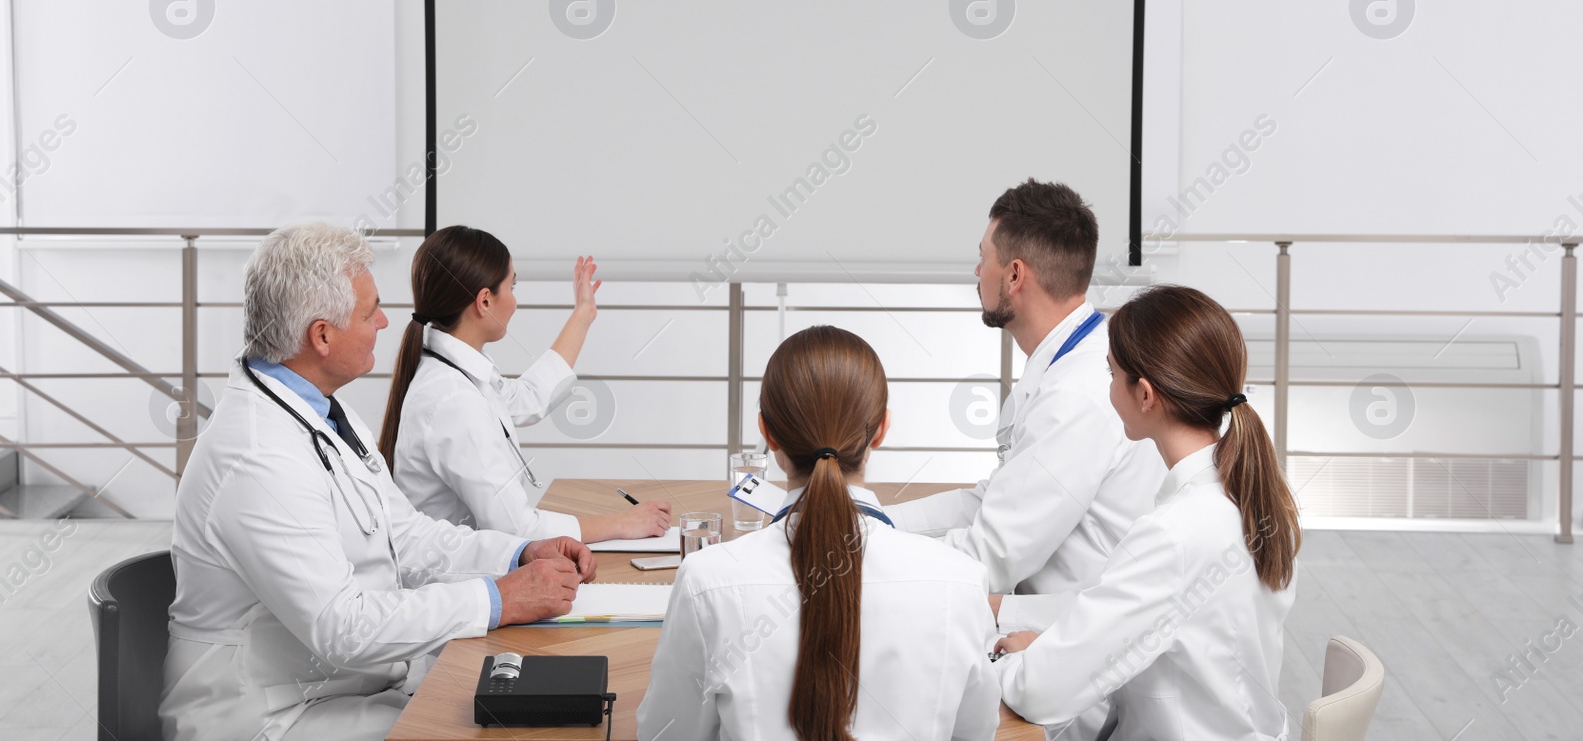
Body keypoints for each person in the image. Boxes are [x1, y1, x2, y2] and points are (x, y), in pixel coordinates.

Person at [160, 223, 596, 741]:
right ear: (321, 335)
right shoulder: (257, 457)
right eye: (370, 313)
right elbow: (342, 627)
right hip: (267, 718)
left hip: (344, 689)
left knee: (534, 712)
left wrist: (517, 554)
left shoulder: (321, 411)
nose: (388, 322)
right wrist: (498, 598)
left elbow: (405, 535)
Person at [883, 180, 1165, 739]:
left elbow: (991, 555)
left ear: (1014, 275)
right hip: (1048, 626)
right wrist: (877, 519)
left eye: (981, 258)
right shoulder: (1069, 360)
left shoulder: (1078, 394)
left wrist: (868, 561)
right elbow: (993, 500)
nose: (975, 273)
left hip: (1081, 678)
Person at [638, 325, 1002, 741]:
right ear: (881, 430)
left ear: (767, 432)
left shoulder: (707, 581)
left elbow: (664, 735)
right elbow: (977, 732)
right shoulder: (960, 580)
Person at [992, 285, 1302, 740]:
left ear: (1145, 395)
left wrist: (1013, 662)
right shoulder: (1252, 497)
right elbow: (1146, 627)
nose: (1107, 386)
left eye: (1111, 373)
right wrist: (1045, 642)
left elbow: (1037, 693)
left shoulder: (1176, 533)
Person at [378, 225, 671, 542]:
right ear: (485, 301)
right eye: (512, 287)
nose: (515, 302)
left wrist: (583, 313)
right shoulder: (453, 400)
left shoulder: (453, 372)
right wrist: (624, 524)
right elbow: (518, 528)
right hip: (455, 584)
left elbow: (528, 397)